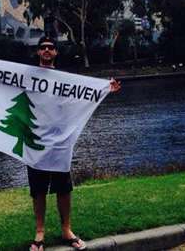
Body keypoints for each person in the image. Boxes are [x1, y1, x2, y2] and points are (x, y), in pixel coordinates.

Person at [29, 36, 121, 251]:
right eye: (43, 48)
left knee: (63, 188)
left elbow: (82, 95)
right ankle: (39, 232)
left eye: (51, 48)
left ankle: (66, 229)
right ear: (38, 52)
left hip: (60, 142)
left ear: (56, 53)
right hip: (35, 142)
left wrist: (107, 89)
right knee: (38, 190)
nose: (47, 50)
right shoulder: (27, 77)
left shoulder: (65, 80)